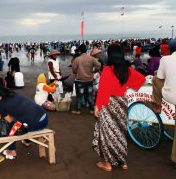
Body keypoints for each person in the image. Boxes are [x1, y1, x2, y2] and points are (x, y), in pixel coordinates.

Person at [92, 44, 145, 172]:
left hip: (109, 103)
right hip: (121, 103)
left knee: (107, 134)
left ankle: (108, 164)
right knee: (120, 132)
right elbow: (141, 78)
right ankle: (123, 162)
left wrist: (97, 106)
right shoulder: (126, 69)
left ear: (110, 55)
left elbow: (103, 91)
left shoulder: (107, 70)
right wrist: (126, 87)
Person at [0, 85, 48, 158]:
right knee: (25, 119)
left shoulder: (1, 104)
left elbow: (10, 121)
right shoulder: (13, 94)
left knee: (11, 128)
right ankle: (27, 141)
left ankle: (12, 151)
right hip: (44, 118)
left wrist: (3, 113)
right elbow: (15, 106)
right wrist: (2, 112)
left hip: (35, 124)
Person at [145, 39, 176, 168]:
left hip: (171, 95)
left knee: (157, 80)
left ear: (169, 49)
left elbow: (160, 78)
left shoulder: (166, 59)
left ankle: (157, 104)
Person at [71, 44, 101, 115]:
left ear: (80, 51)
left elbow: (74, 70)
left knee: (79, 96)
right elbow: (99, 65)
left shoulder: (77, 59)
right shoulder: (91, 58)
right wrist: (94, 71)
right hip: (89, 80)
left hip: (80, 80)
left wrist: (78, 72)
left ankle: (78, 110)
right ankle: (91, 109)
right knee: (90, 95)